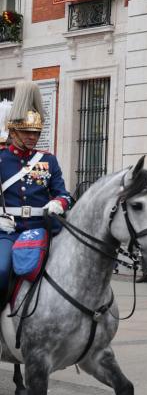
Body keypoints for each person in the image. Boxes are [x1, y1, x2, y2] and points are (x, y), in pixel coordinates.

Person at [0, 81, 72, 308]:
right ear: (13, 131)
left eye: (36, 132)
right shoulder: (1, 159)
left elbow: (63, 193)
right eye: (27, 132)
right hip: (9, 231)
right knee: (1, 270)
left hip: (42, 227)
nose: (33, 137)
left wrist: (58, 204)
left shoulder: (47, 160)